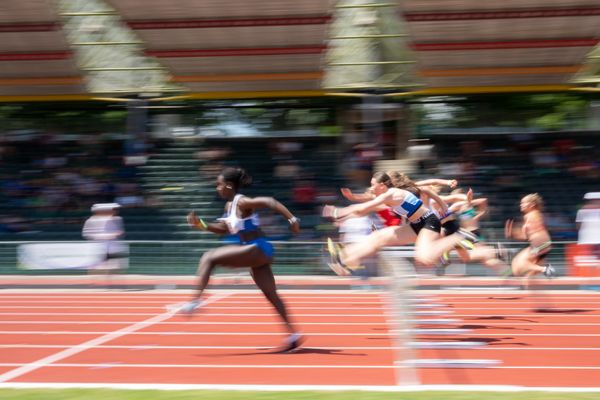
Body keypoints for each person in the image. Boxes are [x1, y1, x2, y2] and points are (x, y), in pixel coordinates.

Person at [183, 166, 302, 352]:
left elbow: (269, 201)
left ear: (229, 186)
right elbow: (224, 229)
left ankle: (195, 300)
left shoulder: (241, 202)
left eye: (219, 185)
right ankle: (294, 335)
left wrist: (292, 220)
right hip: (256, 254)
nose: (217, 188)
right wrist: (201, 224)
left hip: (256, 247)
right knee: (271, 295)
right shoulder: (229, 206)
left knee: (209, 257)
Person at [323, 171, 477, 274]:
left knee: (424, 259)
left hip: (429, 222)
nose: (370, 188)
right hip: (416, 225)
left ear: (382, 186)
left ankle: (459, 237)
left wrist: (338, 213)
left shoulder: (391, 194)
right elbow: (365, 200)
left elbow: (362, 209)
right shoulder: (391, 194)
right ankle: (345, 259)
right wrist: (352, 199)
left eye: (373, 185)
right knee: (377, 238)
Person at [505, 193, 556, 283]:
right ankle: (540, 271)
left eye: (523, 203)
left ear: (532, 204)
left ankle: (545, 269)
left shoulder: (530, 215)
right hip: (544, 245)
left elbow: (529, 233)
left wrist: (514, 233)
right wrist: (512, 234)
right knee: (520, 271)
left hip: (539, 245)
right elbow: (527, 236)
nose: (521, 205)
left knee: (520, 262)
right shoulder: (536, 214)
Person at [82, 203, 127, 283]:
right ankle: (94, 282)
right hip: (99, 247)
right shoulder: (91, 220)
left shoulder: (117, 219)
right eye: (111, 210)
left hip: (113, 247)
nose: (113, 212)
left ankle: (111, 282)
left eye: (113, 210)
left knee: (115, 265)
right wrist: (103, 236)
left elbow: (120, 231)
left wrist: (116, 234)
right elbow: (86, 234)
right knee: (96, 266)